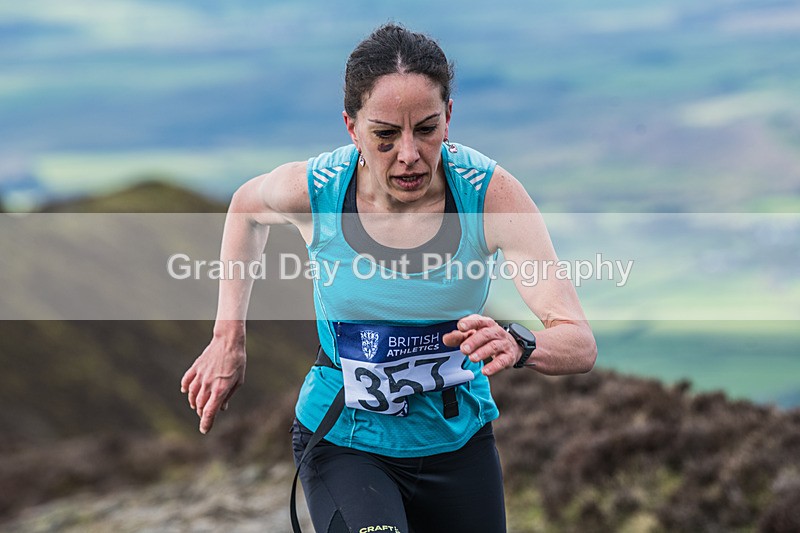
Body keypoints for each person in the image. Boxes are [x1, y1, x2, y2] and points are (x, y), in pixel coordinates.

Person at [181, 23, 597, 533]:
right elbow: (245, 207)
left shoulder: (489, 197)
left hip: (457, 444)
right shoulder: (317, 191)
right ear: (351, 128)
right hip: (346, 442)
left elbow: (579, 341)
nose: (408, 154)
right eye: (384, 134)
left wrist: (520, 342)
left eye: (426, 129)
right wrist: (229, 337)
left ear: (449, 117)